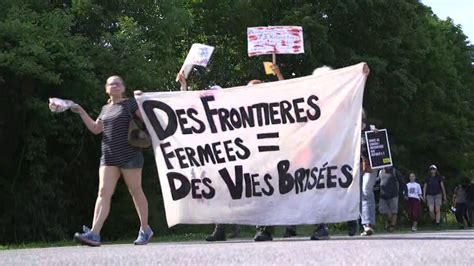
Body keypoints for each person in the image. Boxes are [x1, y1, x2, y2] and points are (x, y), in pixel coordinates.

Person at [69, 76, 153, 246]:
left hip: (130, 156)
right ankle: (94, 233)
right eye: (111, 83)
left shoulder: (130, 104)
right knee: (103, 193)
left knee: (136, 191)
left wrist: (143, 100)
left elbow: (147, 119)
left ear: (123, 88)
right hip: (108, 157)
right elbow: (95, 128)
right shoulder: (105, 108)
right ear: (106, 88)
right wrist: (80, 110)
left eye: (118, 83)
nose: (114, 85)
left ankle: (145, 229)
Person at [359, 110, 379, 236]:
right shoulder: (351, 130)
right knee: (359, 193)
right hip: (356, 165)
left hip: (371, 164)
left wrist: (377, 134)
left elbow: (380, 143)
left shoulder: (371, 128)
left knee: (366, 190)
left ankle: (368, 223)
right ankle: (365, 223)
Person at [378, 166, 407, 232]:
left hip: (393, 195)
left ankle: (392, 227)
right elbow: (379, 181)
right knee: (383, 211)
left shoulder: (395, 171)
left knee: (394, 212)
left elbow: (402, 182)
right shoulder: (381, 171)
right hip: (383, 195)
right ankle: (393, 223)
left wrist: (406, 193)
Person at [423, 165, 447, 229]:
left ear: (436, 170)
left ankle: (437, 223)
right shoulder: (427, 178)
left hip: (438, 194)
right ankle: (434, 220)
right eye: (431, 169)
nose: (432, 171)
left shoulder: (439, 178)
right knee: (431, 210)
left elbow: (442, 187)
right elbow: (425, 187)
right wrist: (424, 195)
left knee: (437, 209)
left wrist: (444, 196)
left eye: (434, 169)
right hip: (430, 195)